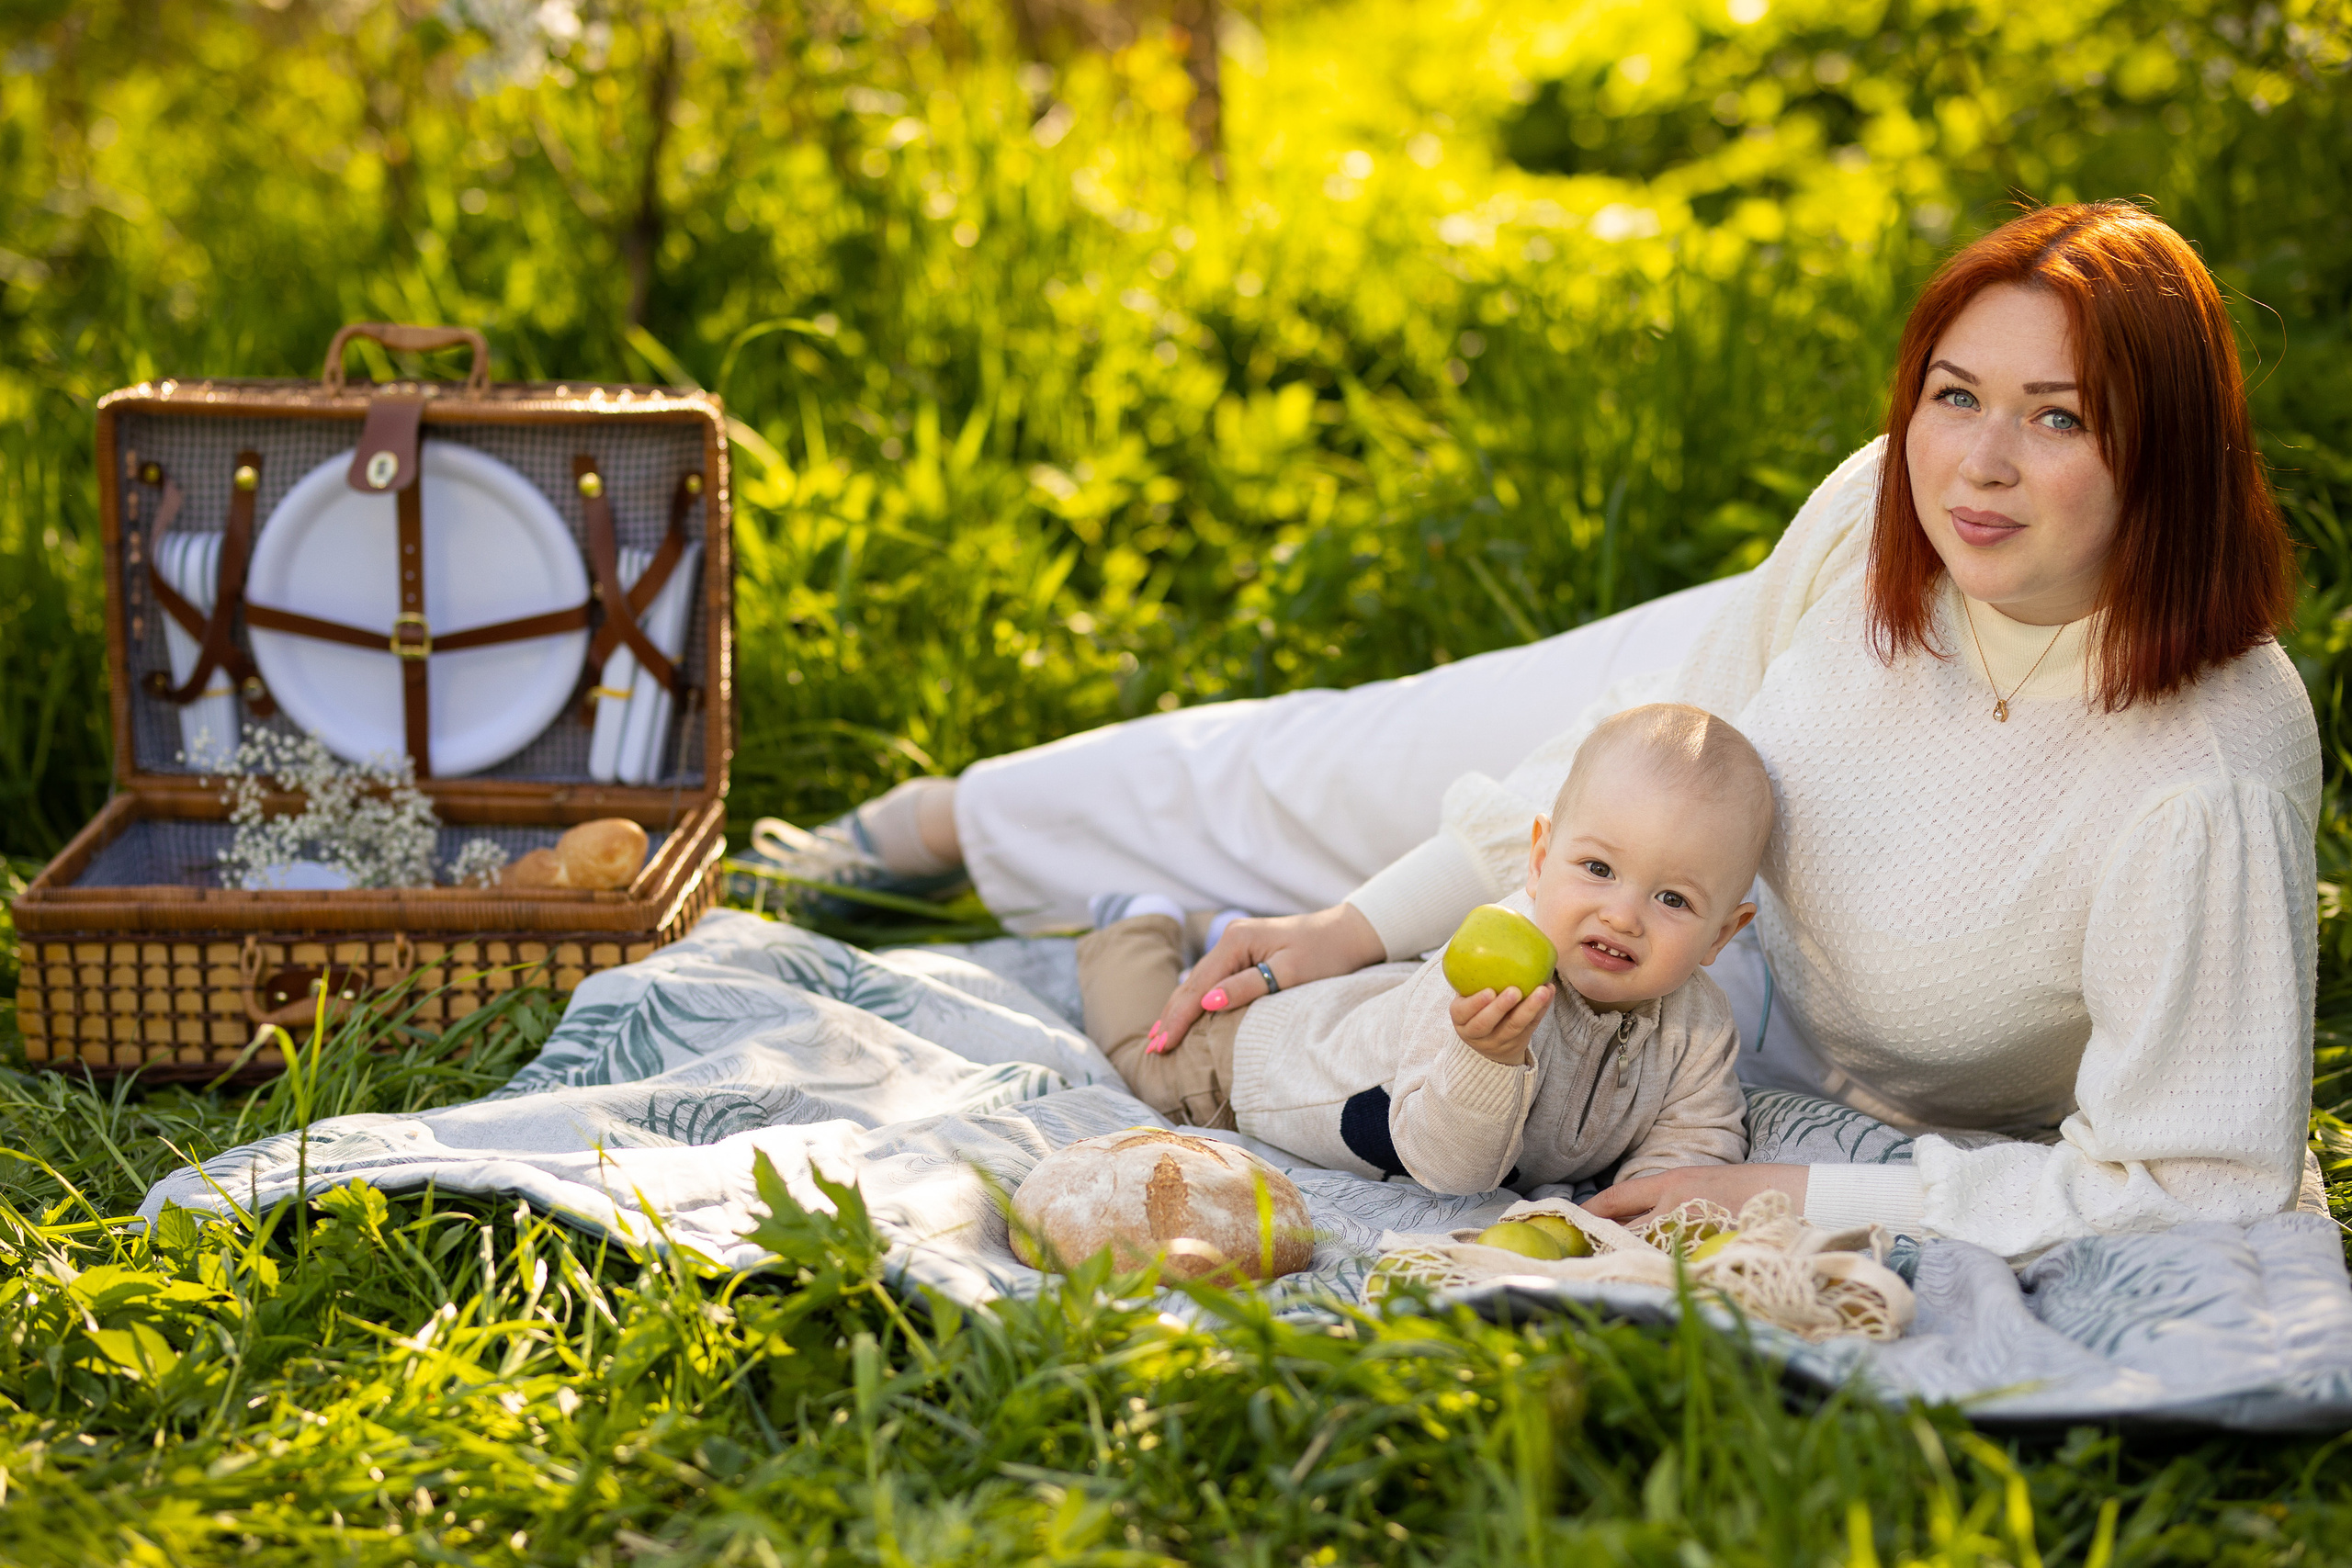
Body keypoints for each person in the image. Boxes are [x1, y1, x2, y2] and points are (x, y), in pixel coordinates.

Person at [757, 202, 2317, 1264]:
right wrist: (1350, 927)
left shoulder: (2202, 778)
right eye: (1955, 394)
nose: (1975, 464)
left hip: (1725, 967)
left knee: (1369, 896)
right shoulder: (1878, 516)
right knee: (1319, 782)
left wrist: (1788, 1189)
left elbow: (2195, 1177)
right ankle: (933, 822)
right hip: (1666, 767)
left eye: (2057, 417)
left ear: (2161, 453)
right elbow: (1666, 727)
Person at [1071, 704, 1768, 1195]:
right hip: (1250, 1066)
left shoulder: (1699, 1025)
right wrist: (1486, 1058)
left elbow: (1694, 1143)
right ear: (1540, 855)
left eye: (1672, 899)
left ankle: (1217, 923)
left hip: (1359, 1006)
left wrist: (1643, 1219)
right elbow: (1448, 1168)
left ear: (1722, 935)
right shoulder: (1482, 975)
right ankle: (1138, 921)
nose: (1623, 915)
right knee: (1145, 1059)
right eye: (1598, 869)